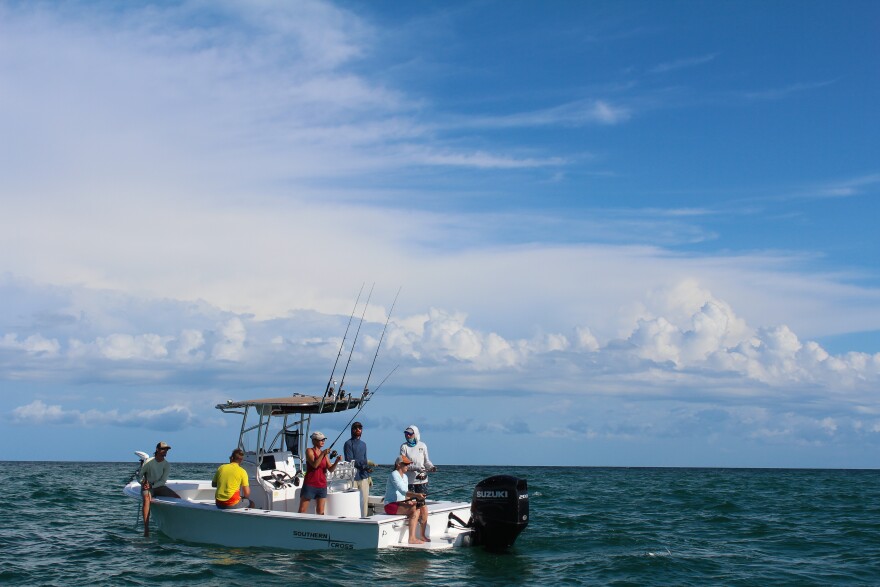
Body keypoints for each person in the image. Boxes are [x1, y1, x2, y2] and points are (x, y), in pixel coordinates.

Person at [383, 455, 429, 544]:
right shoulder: (394, 474)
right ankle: (411, 538)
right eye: (406, 464)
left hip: (401, 504)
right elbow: (403, 491)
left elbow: (406, 495)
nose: (408, 466)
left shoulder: (405, 477)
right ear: (398, 464)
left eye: (408, 464)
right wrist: (417, 495)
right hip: (390, 505)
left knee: (423, 506)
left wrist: (409, 501)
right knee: (416, 509)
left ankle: (422, 535)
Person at [139, 441, 180, 537]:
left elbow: (163, 481)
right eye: (163, 449)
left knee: (177, 498)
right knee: (146, 499)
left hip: (158, 486)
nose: (165, 451)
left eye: (166, 449)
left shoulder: (166, 465)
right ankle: (146, 529)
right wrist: (144, 482)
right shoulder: (148, 462)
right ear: (157, 449)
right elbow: (140, 475)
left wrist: (152, 485)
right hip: (147, 486)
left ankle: (174, 523)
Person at [298, 431, 342, 515]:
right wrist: (323, 453)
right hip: (310, 484)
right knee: (302, 510)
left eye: (324, 440)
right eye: (320, 440)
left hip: (322, 485)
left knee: (321, 512)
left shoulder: (325, 454)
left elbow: (330, 469)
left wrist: (336, 461)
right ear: (314, 441)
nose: (323, 441)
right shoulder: (309, 451)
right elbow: (315, 465)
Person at [343, 421, 373, 517]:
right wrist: (365, 462)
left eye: (360, 428)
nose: (358, 429)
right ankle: (352, 519)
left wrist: (368, 473)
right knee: (352, 501)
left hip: (363, 476)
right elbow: (350, 460)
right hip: (353, 477)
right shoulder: (348, 444)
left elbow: (364, 460)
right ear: (352, 430)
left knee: (364, 501)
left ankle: (364, 519)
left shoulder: (364, 444)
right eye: (355, 428)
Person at [400, 425, 436, 496]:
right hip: (409, 481)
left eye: (410, 434)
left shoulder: (423, 445)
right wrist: (417, 468)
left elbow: (426, 461)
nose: (407, 435)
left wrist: (432, 467)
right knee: (410, 502)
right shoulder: (404, 447)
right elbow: (404, 465)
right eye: (406, 434)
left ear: (415, 434)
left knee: (421, 501)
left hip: (422, 481)